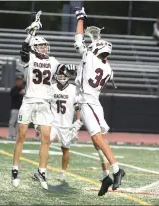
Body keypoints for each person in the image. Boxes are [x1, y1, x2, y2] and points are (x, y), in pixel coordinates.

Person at [11, 10, 76, 190]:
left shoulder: (53, 61)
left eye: (45, 46)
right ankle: (15, 169)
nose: (44, 48)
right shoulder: (29, 58)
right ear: (35, 48)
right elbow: (23, 50)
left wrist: (70, 69)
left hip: (45, 104)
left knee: (46, 139)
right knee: (21, 136)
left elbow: (64, 69)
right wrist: (30, 34)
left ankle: (42, 171)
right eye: (41, 46)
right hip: (30, 101)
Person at [73, 7, 125, 196]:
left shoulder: (89, 56)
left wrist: (80, 17)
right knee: (98, 142)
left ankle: (117, 169)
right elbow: (103, 59)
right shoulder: (108, 69)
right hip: (92, 102)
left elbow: (78, 39)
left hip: (88, 101)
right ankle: (105, 176)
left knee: (96, 138)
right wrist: (96, 42)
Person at [33, 69, 82, 182]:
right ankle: (41, 171)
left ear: (68, 76)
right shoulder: (52, 87)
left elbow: (77, 107)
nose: (61, 77)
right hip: (52, 123)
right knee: (45, 143)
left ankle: (63, 172)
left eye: (63, 75)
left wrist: (78, 120)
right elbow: (44, 103)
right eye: (59, 75)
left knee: (65, 148)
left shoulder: (73, 89)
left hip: (66, 124)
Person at [7, 76, 25, 140]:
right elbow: (12, 95)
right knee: (12, 122)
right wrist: (19, 93)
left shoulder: (24, 89)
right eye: (17, 80)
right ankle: (10, 135)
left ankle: (17, 135)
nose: (19, 82)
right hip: (14, 108)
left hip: (21, 109)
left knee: (19, 123)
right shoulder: (13, 89)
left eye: (20, 80)